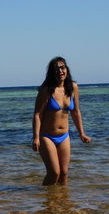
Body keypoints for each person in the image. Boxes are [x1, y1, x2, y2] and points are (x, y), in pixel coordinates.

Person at [32, 56, 91, 185]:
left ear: (67, 69)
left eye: (62, 68)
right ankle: (47, 199)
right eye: (57, 69)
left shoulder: (73, 87)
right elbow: (37, 114)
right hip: (47, 136)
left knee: (64, 174)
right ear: (52, 72)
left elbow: (75, 112)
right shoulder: (46, 89)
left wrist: (82, 133)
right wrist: (36, 137)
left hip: (64, 136)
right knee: (54, 173)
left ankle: (62, 201)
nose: (60, 71)